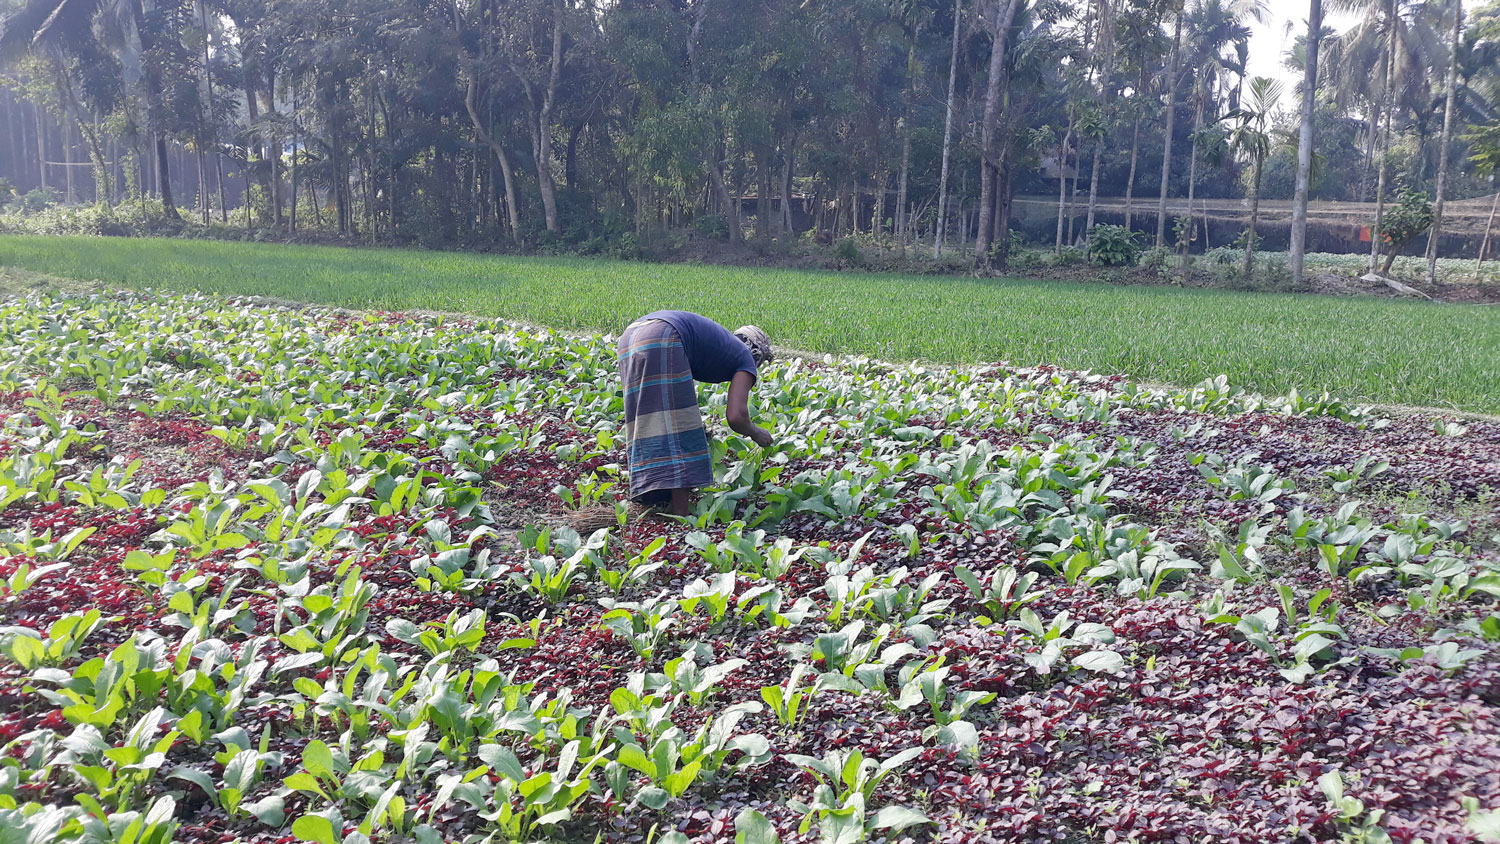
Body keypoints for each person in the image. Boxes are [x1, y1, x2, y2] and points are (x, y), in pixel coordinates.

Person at [617, 310, 774, 516]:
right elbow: (736, 417)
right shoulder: (745, 357)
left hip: (630, 335)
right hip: (665, 335)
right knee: (681, 429)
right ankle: (680, 514)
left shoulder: (723, 345)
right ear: (758, 353)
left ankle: (654, 500)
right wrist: (755, 432)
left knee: (645, 418)